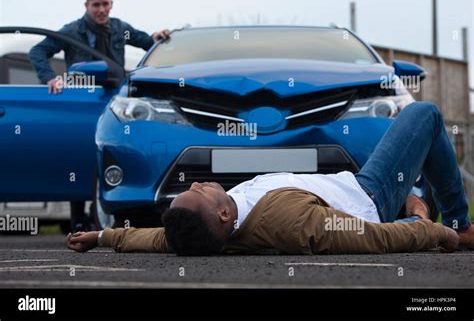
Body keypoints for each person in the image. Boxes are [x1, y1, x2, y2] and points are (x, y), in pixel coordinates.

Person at [67, 101, 472, 255]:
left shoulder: (200, 229)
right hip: (370, 194)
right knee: (425, 115)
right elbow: (373, 238)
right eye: (199, 192)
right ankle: (459, 221)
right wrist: (432, 230)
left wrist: (101, 237)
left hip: (349, 183)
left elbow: (151, 237)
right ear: (223, 216)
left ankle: (421, 202)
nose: (194, 185)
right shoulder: (291, 224)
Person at [29, 0, 170, 233]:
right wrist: (50, 77)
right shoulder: (72, 31)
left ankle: (117, 215)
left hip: (115, 105)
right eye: (96, 5)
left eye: (105, 4)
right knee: (80, 156)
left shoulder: (120, 29)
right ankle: (77, 220)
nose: (101, 10)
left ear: (111, 3)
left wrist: (157, 39)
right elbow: (38, 51)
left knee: (113, 156)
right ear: (87, 5)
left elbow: (147, 42)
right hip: (82, 105)